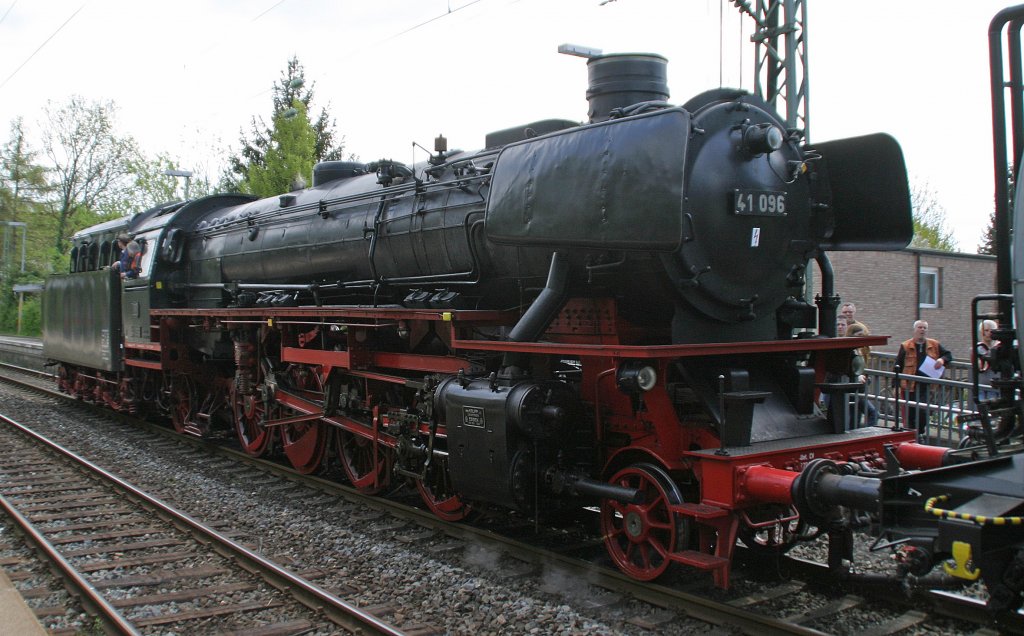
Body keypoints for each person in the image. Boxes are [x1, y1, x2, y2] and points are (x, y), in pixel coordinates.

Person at [893, 320, 953, 438]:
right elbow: (897, 365)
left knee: (923, 411)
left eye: (924, 328)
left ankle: (919, 433)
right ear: (914, 330)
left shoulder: (934, 344)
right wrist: (895, 385)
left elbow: (948, 355)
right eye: (920, 327)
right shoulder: (906, 345)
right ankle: (910, 436)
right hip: (910, 385)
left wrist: (942, 360)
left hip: (926, 385)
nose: (922, 330)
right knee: (909, 413)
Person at [845, 322, 878, 426]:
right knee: (870, 414)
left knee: (856, 419)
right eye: (859, 336)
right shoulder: (848, 351)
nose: (862, 338)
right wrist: (857, 376)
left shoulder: (860, 350)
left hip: (857, 389)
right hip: (850, 389)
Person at [975, 319, 999, 401]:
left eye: (992, 330)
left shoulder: (999, 348)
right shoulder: (977, 348)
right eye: (986, 330)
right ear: (981, 332)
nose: (989, 333)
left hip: (997, 386)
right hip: (982, 386)